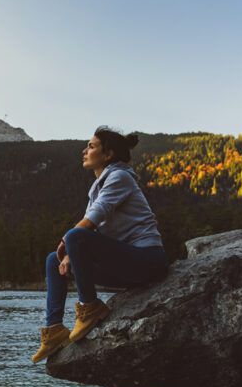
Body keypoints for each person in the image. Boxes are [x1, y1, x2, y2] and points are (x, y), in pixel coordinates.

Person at [32, 125, 169, 364]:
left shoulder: (120, 177)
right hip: (126, 264)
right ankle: (54, 330)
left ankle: (90, 306)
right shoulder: (98, 186)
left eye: (91, 146)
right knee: (53, 261)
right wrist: (67, 254)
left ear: (108, 155)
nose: (84, 151)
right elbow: (90, 230)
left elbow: (93, 219)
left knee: (74, 236)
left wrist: (67, 242)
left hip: (148, 260)